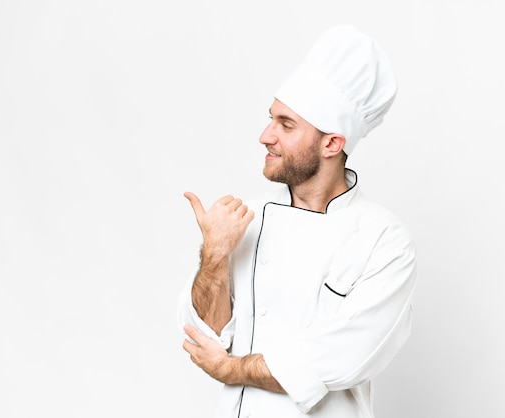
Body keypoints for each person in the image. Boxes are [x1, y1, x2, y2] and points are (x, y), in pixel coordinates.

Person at [177, 24, 417, 418]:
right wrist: (215, 256)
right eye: (271, 119)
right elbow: (205, 336)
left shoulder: (383, 240)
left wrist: (231, 368)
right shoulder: (244, 220)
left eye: (286, 125)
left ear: (332, 143)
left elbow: (343, 357)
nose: (265, 136)